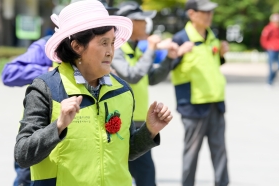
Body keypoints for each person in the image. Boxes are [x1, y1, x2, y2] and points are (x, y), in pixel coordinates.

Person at [14, 1, 173, 186]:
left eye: (112, 43)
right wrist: (57, 126)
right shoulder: (45, 89)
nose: (111, 51)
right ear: (77, 47)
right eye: (104, 43)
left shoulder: (122, 90)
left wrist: (150, 130)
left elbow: (125, 151)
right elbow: (23, 155)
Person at [113, 2, 179, 186]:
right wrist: (151, 48)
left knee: (144, 176)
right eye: (142, 20)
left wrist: (169, 59)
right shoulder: (116, 50)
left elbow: (151, 77)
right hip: (122, 123)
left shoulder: (135, 49)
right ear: (130, 24)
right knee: (144, 176)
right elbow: (132, 76)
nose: (147, 24)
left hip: (140, 123)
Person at [170, 0, 229, 185]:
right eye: (205, 12)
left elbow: (211, 66)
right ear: (192, 14)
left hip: (216, 103)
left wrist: (221, 55)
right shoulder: (180, 39)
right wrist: (178, 53)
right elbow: (167, 68)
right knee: (191, 152)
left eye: (211, 12)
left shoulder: (213, 36)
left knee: (220, 152)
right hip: (193, 105)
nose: (209, 16)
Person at [260, 13, 279, 86]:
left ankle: (272, 79)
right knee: (271, 67)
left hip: (278, 49)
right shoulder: (268, 28)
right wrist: (268, 46)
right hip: (271, 50)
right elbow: (263, 39)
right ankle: (269, 81)